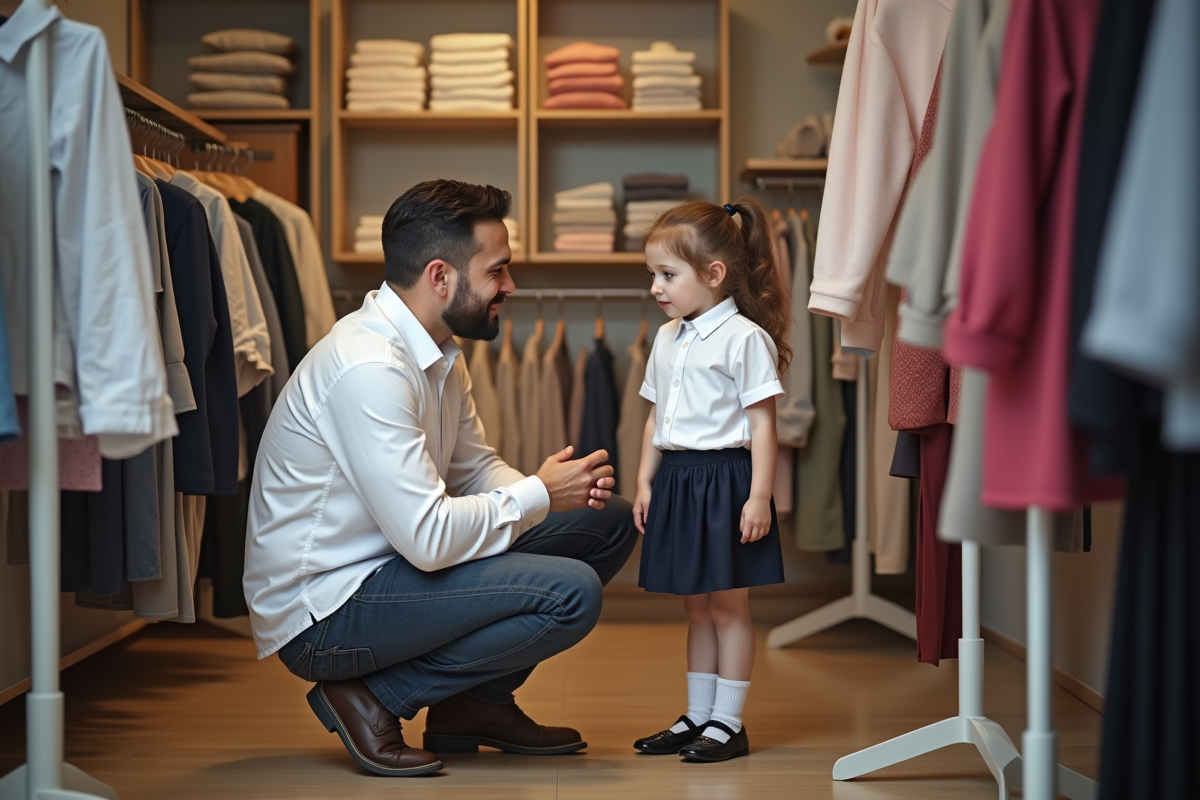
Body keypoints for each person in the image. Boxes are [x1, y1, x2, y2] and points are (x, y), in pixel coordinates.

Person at [242, 180, 637, 777]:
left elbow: (475, 468)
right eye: (498, 270)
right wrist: (536, 493)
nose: (510, 286)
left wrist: (555, 495)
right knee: (571, 592)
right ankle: (374, 697)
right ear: (440, 276)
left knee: (604, 523)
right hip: (325, 613)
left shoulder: (437, 351)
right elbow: (428, 540)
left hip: (385, 569)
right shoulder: (370, 369)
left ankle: (472, 707)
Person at [630, 198, 791, 763]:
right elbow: (654, 417)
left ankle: (729, 722)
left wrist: (760, 497)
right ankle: (697, 714)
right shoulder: (667, 339)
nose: (656, 286)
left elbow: (763, 424)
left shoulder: (743, 339)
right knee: (695, 607)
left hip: (726, 482)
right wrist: (646, 482)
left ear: (714, 274)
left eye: (667, 275)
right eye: (653, 274)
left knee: (728, 608)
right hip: (677, 480)